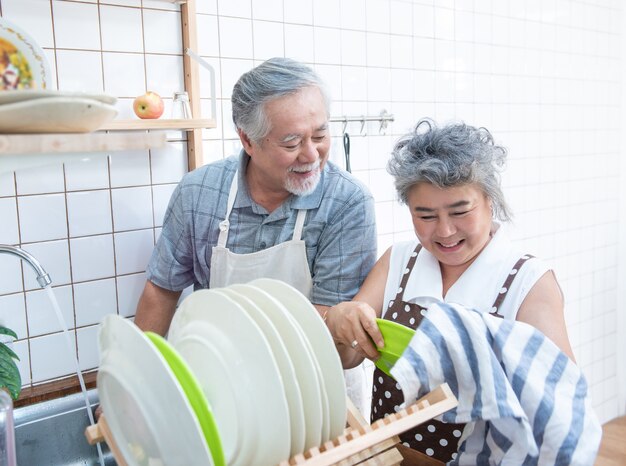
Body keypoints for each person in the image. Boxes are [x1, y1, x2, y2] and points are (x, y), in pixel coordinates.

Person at [325, 119, 576, 463]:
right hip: (390, 458)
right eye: (424, 215)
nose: (444, 231)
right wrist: (340, 322)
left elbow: (562, 405)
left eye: (460, 211)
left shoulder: (526, 280)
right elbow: (349, 355)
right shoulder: (400, 261)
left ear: (490, 200)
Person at [133, 57, 377, 341]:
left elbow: (333, 326)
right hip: (219, 369)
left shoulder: (347, 202)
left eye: (320, 135)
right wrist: (138, 374)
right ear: (248, 140)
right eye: (292, 143)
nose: (312, 155)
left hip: (312, 377)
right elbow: (161, 290)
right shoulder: (197, 193)